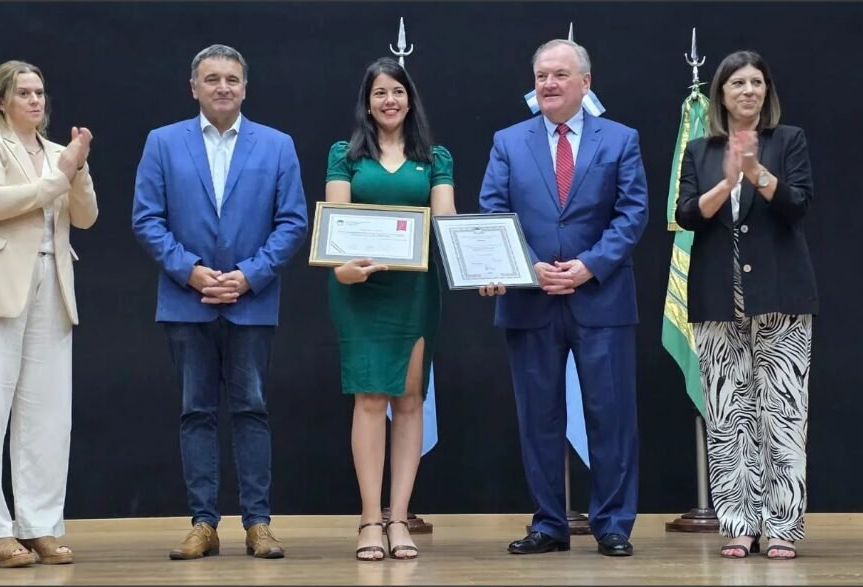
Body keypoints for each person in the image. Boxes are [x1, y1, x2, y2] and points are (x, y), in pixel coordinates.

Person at [132, 44, 307, 561]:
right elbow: (147, 217)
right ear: (194, 87)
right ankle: (203, 523)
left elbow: (293, 221)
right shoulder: (162, 143)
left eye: (232, 79)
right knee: (195, 413)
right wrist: (190, 271)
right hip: (187, 302)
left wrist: (249, 277)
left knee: (252, 410)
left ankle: (258, 524)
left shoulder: (277, 145)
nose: (223, 87)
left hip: (251, 301)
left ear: (245, 87)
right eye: (212, 79)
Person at [478, 39, 648, 557]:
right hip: (531, 300)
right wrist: (527, 266)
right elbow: (493, 210)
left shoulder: (620, 140)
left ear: (585, 83)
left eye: (559, 75)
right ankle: (549, 523)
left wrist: (588, 266)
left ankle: (613, 523)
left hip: (601, 297)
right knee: (539, 418)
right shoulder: (508, 141)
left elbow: (632, 213)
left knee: (610, 414)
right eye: (541, 76)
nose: (548, 84)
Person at [0, 60, 97, 567]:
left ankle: (38, 525)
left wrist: (75, 169)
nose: (36, 101)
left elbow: (86, 216)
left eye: (40, 92)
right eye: (25, 93)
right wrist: (59, 179)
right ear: (1, 101)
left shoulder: (61, 153)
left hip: (52, 286)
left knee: (48, 415)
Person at [675, 50, 816, 561]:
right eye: (738, 83)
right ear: (722, 94)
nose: (749, 90)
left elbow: (798, 204)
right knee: (728, 413)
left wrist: (756, 172)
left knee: (783, 413)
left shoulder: (789, 141)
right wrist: (728, 180)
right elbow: (687, 215)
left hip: (781, 296)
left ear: (767, 92)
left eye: (757, 82)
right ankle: (738, 521)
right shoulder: (699, 149)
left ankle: (781, 526)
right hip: (717, 298)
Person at [324, 57, 455, 561]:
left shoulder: (436, 157)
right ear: (367, 101)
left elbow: (444, 226)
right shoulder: (345, 155)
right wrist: (343, 269)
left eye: (397, 92)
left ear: (410, 98)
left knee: (408, 401)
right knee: (368, 401)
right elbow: (335, 221)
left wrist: (477, 262)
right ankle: (369, 521)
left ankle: (399, 518)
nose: (389, 101)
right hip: (359, 292)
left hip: (414, 293)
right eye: (379, 93)